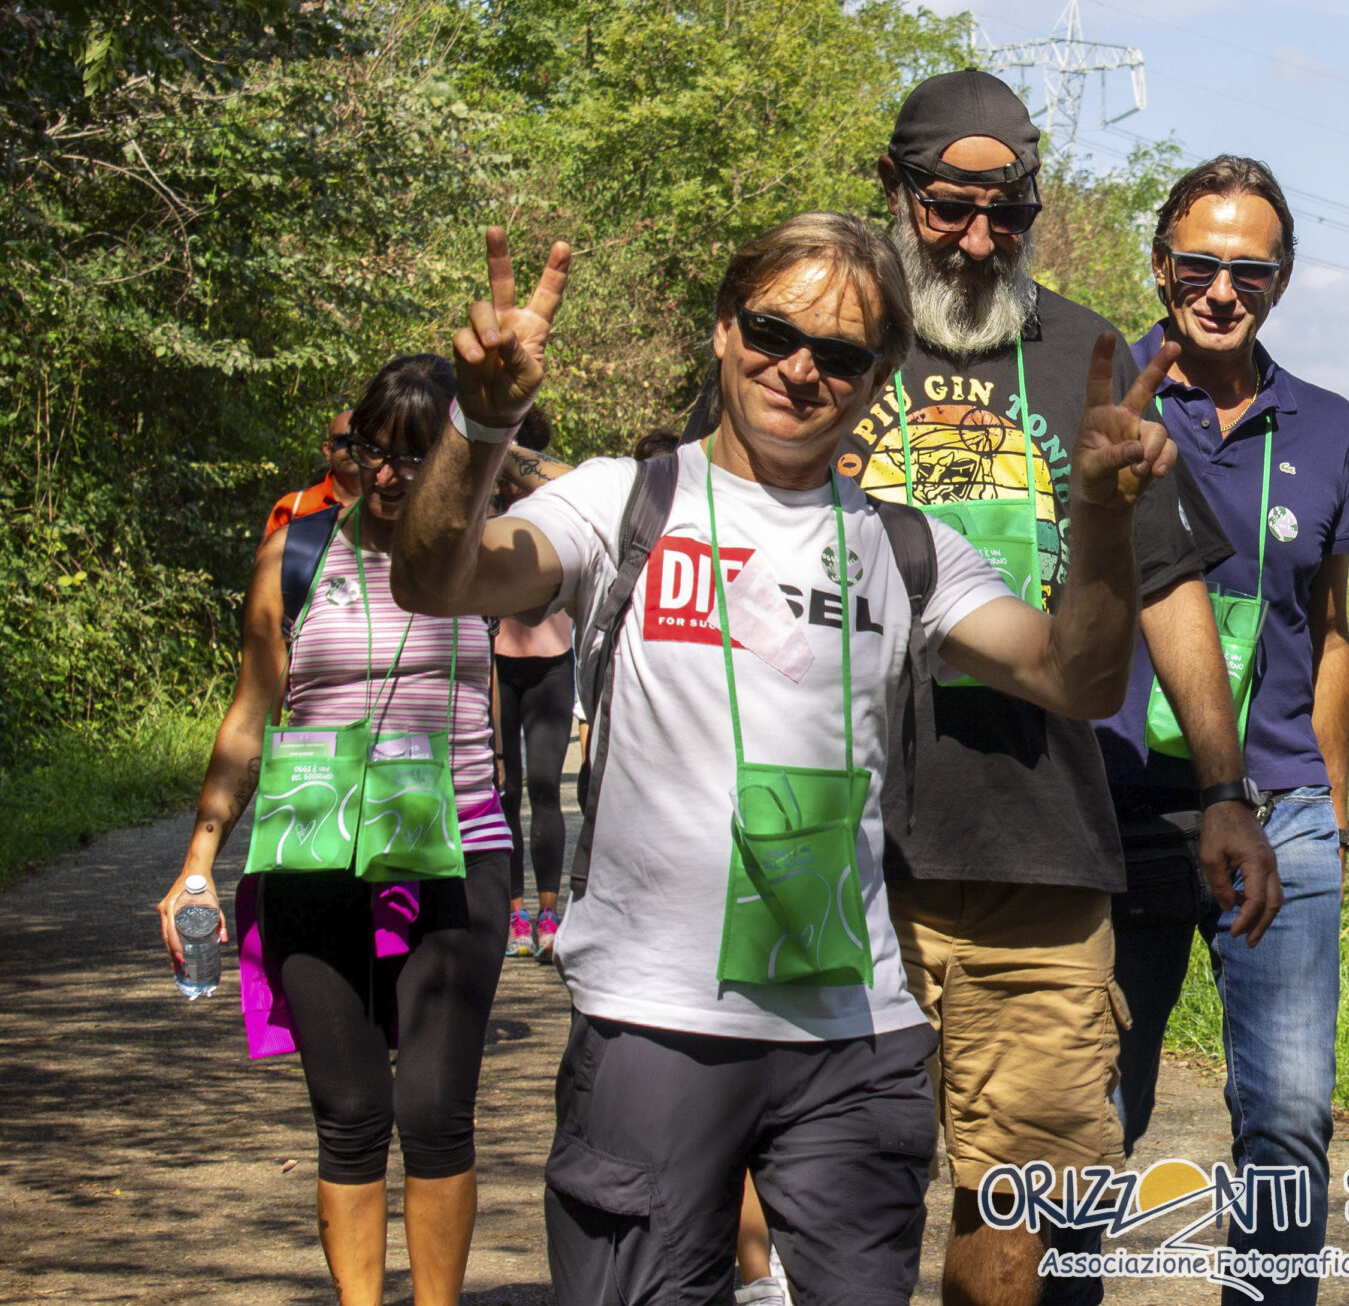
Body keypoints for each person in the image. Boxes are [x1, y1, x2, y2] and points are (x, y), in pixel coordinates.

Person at [390, 214, 1185, 1306]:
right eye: (773, 332)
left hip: (855, 1040)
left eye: (841, 354)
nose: (800, 370)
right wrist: (482, 423)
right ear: (724, 328)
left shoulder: (908, 548)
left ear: (878, 379)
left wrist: (1099, 515)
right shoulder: (623, 502)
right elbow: (437, 578)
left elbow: (1078, 678)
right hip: (655, 1025)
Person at [843, 70, 1279, 1306]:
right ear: (893, 189)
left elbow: (1169, 588)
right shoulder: (821, 341)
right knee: (830, 1186)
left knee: (1016, 1202)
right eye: (949, 209)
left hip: (1033, 848)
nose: (980, 241)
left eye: (1009, 212)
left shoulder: (1088, 355)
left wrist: (1225, 790)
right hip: (835, 841)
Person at [158, 354, 512, 1306]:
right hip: (313, 847)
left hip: (457, 852)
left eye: (416, 455)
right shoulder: (299, 552)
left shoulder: (490, 550)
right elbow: (248, 713)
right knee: (351, 1112)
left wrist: (492, 434)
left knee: (433, 1111)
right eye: (371, 451)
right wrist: (197, 862)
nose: (387, 476)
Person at [1098, 157, 1349, 1305]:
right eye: (1198, 264)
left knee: (1290, 1122)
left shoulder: (1331, 427)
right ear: (1159, 264)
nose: (1220, 290)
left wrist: (1331, 810)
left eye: (1249, 271)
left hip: (1279, 811)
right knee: (1094, 1121)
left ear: (1282, 278)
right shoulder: (1103, 397)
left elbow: (1332, 630)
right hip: (1118, 804)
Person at [492, 402, 578, 960]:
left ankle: (549, 912)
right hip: (495, 665)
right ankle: (511, 912)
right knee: (503, 790)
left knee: (546, 786)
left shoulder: (561, 503)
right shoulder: (483, 509)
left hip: (553, 662)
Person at [264, 408, 362, 537]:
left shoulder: (385, 507)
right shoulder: (292, 507)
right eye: (342, 441)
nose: (350, 448)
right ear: (327, 450)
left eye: (359, 441)